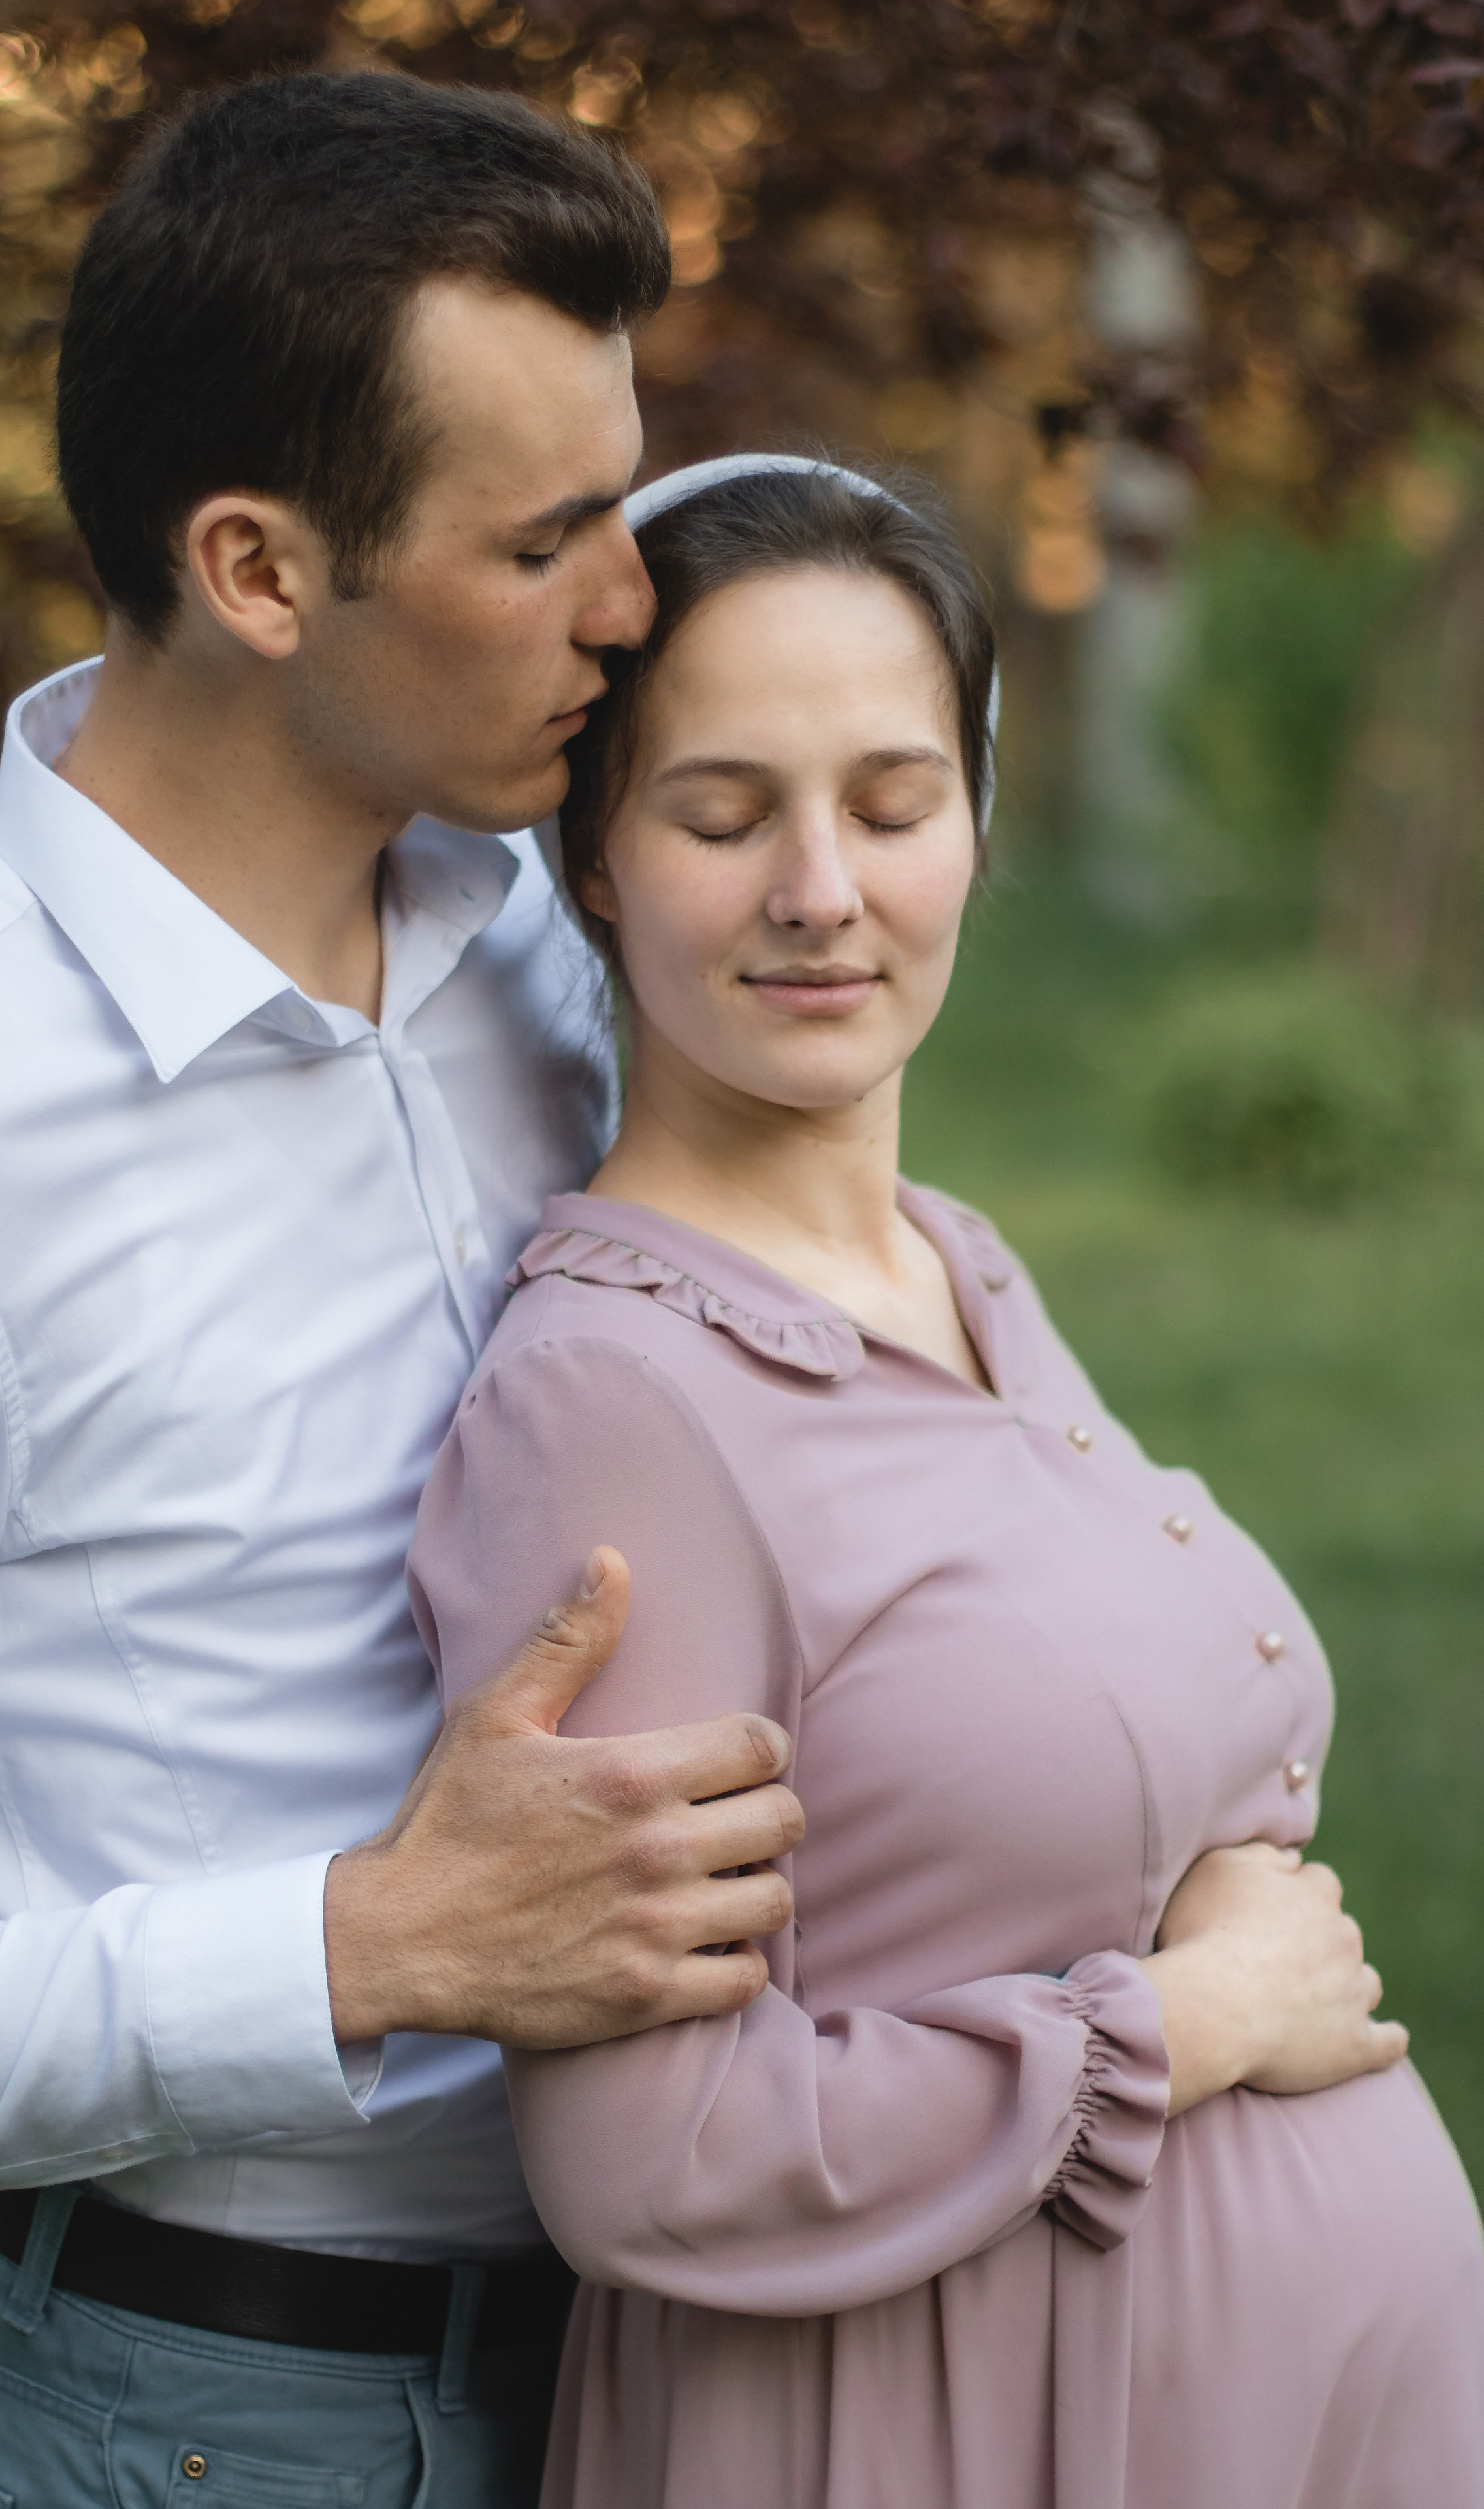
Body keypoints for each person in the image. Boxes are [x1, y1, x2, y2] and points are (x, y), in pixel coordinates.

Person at [408, 455, 1484, 2509]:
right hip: (941, 2434)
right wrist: (1176, 2025)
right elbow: (656, 2162)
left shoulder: (954, 1261)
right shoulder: (621, 1401)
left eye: (896, 804)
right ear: (596, 868)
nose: (821, 886)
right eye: (724, 814)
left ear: (978, 825)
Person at [0, 76, 805, 2508]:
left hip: (689, 2352)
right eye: (547, 537)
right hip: (207, 2411)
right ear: (257, 568)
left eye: (628, 505)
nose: (632, 605)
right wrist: (370, 1945)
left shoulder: (550, 955)